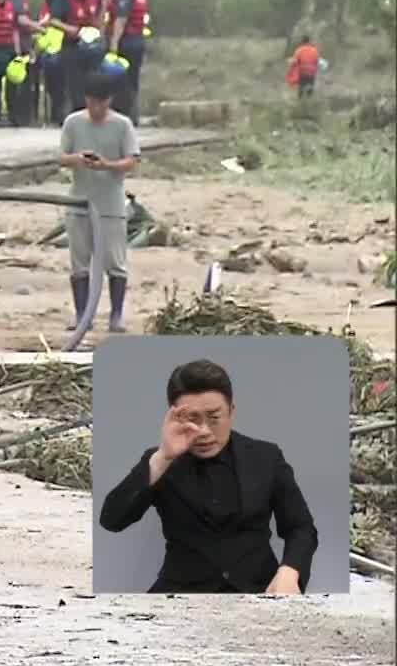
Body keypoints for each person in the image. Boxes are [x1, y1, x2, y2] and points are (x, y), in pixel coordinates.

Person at [99, 359, 318, 594]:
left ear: (231, 411)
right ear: (172, 416)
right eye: (192, 419)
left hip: (258, 588)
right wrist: (163, 457)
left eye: (214, 418)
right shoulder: (160, 461)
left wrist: (290, 570)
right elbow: (112, 520)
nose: (203, 431)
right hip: (180, 592)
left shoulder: (266, 457)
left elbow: (301, 528)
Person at [59, 73, 140, 336]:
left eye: (101, 104)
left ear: (109, 101)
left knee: (115, 262)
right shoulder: (73, 123)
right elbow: (61, 157)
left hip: (110, 204)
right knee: (79, 262)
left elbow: (131, 161)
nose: (96, 109)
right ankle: (83, 314)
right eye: (92, 103)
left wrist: (106, 165)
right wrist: (77, 159)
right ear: (86, 100)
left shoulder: (123, 125)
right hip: (79, 202)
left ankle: (116, 315)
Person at [105, 0, 149, 125]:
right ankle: (133, 116)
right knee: (133, 80)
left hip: (127, 41)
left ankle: (124, 116)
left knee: (121, 79)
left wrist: (113, 44)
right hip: (139, 40)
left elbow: (120, 20)